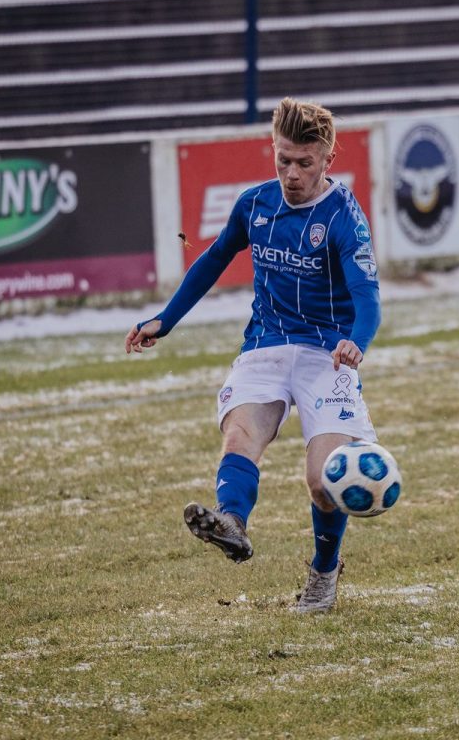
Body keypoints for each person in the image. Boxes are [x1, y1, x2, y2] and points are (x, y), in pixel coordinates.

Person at [125, 97, 381, 614]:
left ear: (328, 159)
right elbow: (214, 257)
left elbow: (368, 296)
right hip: (265, 346)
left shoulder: (343, 219)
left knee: (323, 478)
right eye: (282, 159)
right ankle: (232, 523)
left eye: (304, 163)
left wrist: (358, 339)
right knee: (239, 435)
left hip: (326, 355)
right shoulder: (255, 204)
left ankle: (323, 575)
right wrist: (165, 319)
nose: (291, 173)